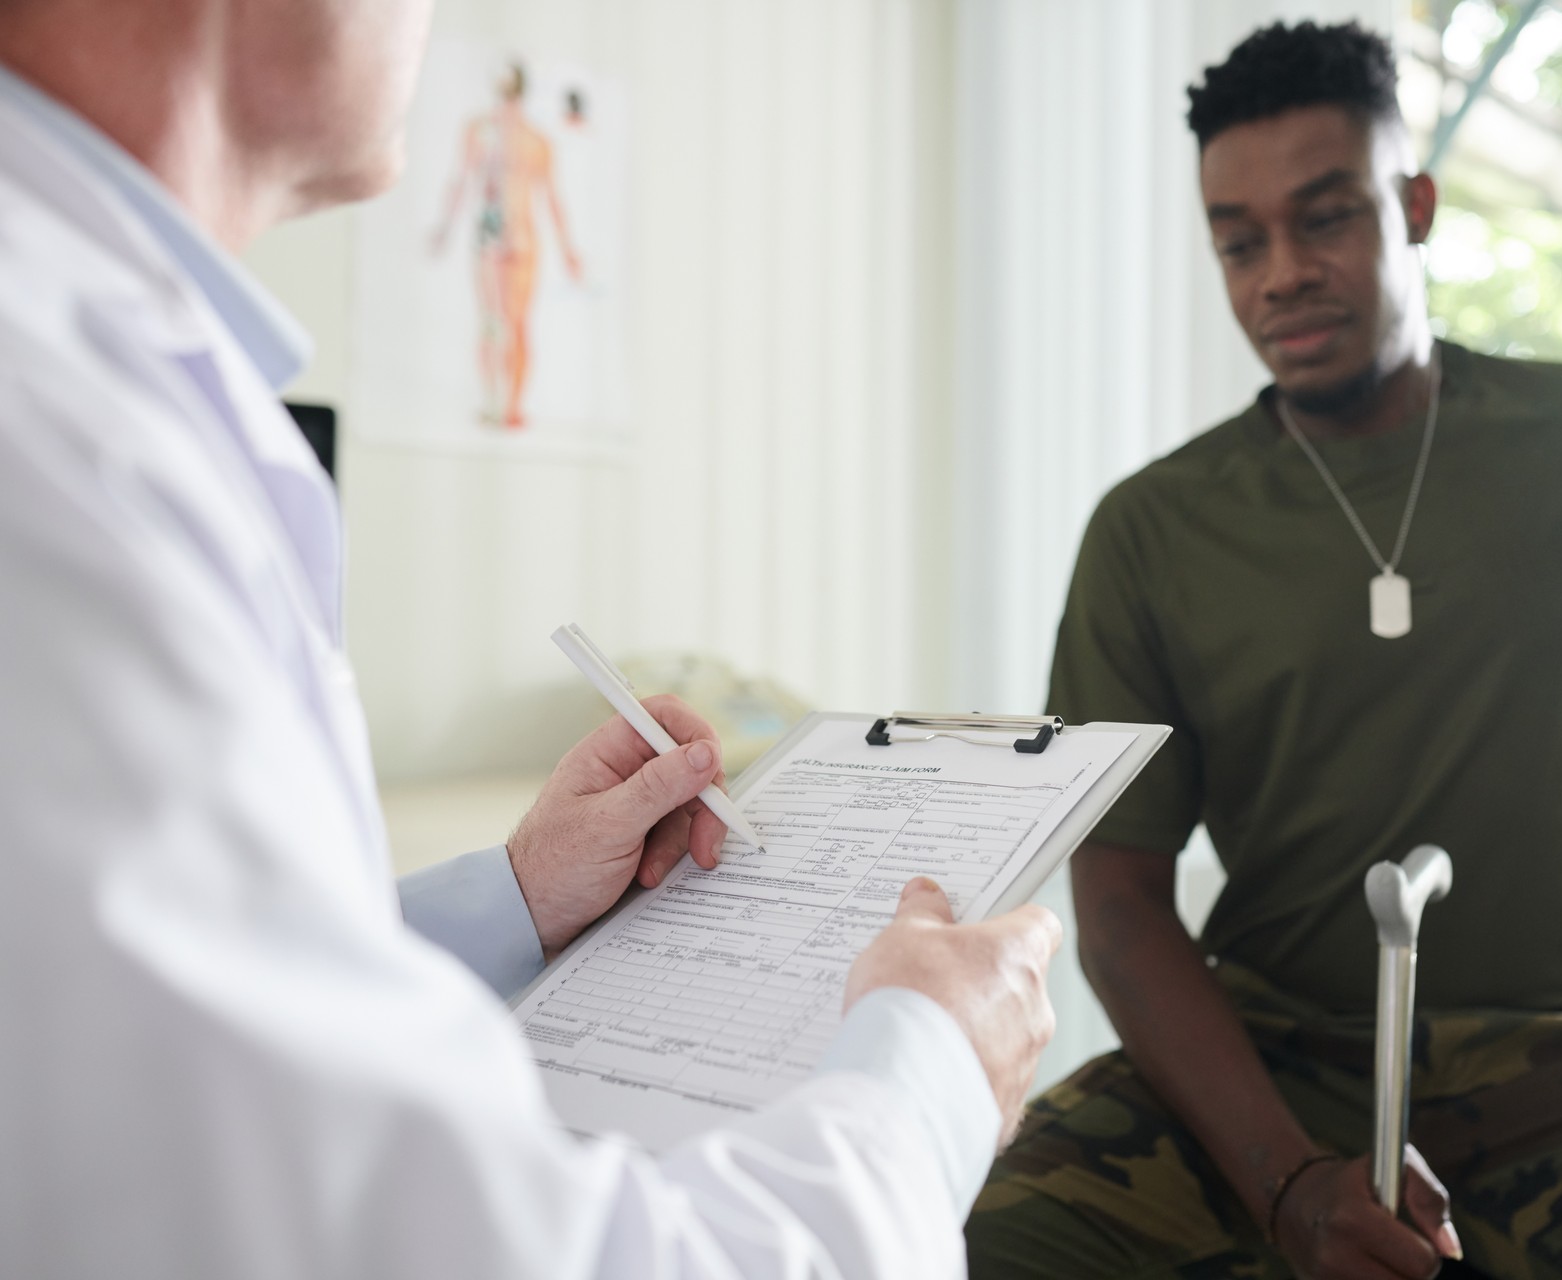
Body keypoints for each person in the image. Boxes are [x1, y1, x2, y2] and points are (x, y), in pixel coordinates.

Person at [0, 2, 1060, 1277]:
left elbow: (166, 1022)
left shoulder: (90, 372)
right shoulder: (52, 442)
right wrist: (929, 1069)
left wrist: (514, 897)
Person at [966, 19, 1562, 1280]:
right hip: (1272, 1056)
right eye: (1238, 241)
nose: (1282, 274)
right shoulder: (1154, 529)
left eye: (1326, 218)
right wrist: (1291, 1182)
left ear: (1412, 205)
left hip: (1561, 1055)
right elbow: (1124, 907)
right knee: (977, 1239)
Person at [430, 60, 583, 429]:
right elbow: (461, 182)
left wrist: (568, 251)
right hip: (490, 237)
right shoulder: (480, 130)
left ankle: (511, 405)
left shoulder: (536, 141)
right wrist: (445, 228)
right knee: (492, 323)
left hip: (523, 239)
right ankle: (493, 401)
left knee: (516, 324)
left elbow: (552, 199)